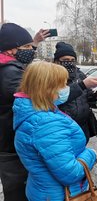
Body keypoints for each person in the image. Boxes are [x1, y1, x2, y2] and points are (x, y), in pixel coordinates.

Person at [13, 61, 97, 201]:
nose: (66, 89)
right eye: (62, 85)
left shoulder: (34, 112)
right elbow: (71, 173)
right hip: (61, 195)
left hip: (45, 191)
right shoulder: (45, 123)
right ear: (47, 88)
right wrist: (91, 154)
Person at [0, 23, 49, 201]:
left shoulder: (8, 66)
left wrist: (34, 42)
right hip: (11, 147)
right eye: (27, 47)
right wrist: (81, 87)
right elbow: (39, 97)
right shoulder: (9, 73)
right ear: (11, 49)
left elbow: (22, 61)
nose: (31, 50)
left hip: (9, 143)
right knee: (17, 194)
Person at [53, 41, 97, 143]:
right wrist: (82, 85)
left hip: (82, 127)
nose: (69, 63)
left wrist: (95, 96)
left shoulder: (79, 75)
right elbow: (55, 98)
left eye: (72, 60)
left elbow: (87, 95)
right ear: (57, 61)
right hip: (63, 128)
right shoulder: (51, 77)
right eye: (65, 60)